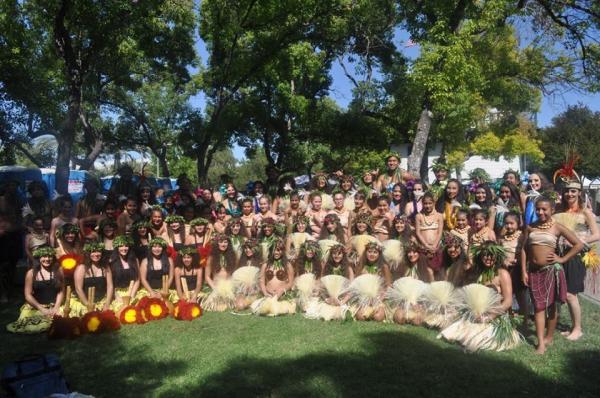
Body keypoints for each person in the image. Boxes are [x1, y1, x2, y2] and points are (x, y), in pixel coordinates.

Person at [521, 196, 584, 354]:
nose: (541, 212)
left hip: (551, 271)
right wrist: (523, 270)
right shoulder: (530, 227)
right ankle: (541, 342)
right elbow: (523, 249)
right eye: (538, 209)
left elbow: (578, 244)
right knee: (538, 307)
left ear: (552, 210)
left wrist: (562, 258)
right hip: (534, 272)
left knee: (551, 306)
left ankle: (549, 336)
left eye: (544, 209)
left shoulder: (557, 227)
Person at [553, 177, 600, 341]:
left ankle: (578, 329)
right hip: (559, 254)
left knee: (571, 293)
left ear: (579, 193)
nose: (569, 194)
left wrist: (579, 240)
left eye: (573, 191)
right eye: (566, 191)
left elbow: (597, 234)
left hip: (577, 256)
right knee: (564, 293)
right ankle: (572, 326)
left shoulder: (585, 212)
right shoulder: (558, 211)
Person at [7, 247, 65, 333]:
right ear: (38, 257)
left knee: (63, 320)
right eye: (44, 256)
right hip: (37, 307)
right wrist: (42, 309)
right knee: (37, 324)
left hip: (55, 305)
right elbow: (28, 295)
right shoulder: (31, 273)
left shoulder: (59, 271)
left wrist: (56, 307)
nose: (47, 259)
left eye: (50, 256)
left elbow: (61, 291)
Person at [499, 212, 527, 320]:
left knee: (521, 296)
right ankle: (509, 316)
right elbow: (500, 254)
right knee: (507, 294)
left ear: (518, 223)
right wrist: (503, 261)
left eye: (512, 223)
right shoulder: (502, 238)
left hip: (518, 270)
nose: (509, 226)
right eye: (506, 223)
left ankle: (524, 319)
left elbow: (525, 252)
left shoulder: (522, 236)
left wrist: (518, 260)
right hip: (506, 270)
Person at [73, 243, 114, 315]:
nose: (96, 254)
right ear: (88, 253)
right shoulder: (82, 267)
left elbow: (110, 286)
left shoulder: (105, 267)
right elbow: (78, 288)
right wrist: (87, 305)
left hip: (102, 300)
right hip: (84, 301)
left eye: (98, 251)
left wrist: (107, 303)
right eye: (93, 251)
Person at [415, 192, 444, 280]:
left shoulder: (439, 216)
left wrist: (435, 245)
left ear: (434, 203)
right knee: (428, 272)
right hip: (424, 249)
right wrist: (426, 245)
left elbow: (440, 232)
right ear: (422, 204)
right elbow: (418, 232)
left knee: (438, 272)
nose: (427, 206)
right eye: (425, 203)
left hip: (436, 247)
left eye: (430, 203)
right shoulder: (419, 216)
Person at [108, 235, 140, 309]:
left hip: (132, 291)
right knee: (120, 308)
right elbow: (110, 283)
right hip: (117, 292)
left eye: (126, 246)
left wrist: (132, 295)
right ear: (117, 248)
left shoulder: (135, 260)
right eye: (121, 246)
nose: (124, 248)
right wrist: (116, 296)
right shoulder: (111, 261)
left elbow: (137, 280)